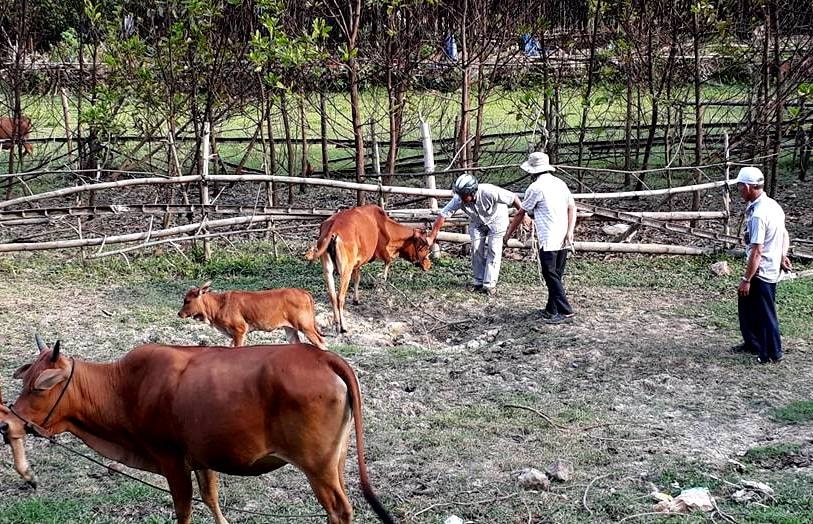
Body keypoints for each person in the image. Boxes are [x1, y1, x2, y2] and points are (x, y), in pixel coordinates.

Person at [505, 152, 576, 324]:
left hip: (549, 236)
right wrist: (570, 231)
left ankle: (565, 310)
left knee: (549, 274)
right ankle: (551, 309)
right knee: (556, 274)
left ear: (532, 171)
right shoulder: (560, 183)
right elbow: (572, 207)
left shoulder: (535, 188)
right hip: (562, 235)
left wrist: (508, 234)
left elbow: (521, 212)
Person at [734, 166, 792, 364]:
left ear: (749, 186)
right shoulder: (773, 205)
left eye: (740, 187)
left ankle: (772, 352)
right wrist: (783, 254)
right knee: (747, 305)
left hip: (762, 270)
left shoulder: (759, 214)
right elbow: (784, 234)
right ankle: (752, 342)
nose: (739, 190)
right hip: (769, 265)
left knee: (765, 312)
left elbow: (757, 250)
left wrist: (747, 279)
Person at [428, 173, 522, 295]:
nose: (461, 198)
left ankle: (489, 285)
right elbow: (443, 215)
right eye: (460, 194)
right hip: (477, 222)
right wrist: (432, 236)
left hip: (497, 221)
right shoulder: (458, 199)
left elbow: (513, 197)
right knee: (476, 248)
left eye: (463, 195)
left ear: (472, 192)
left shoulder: (489, 191)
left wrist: (523, 214)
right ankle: (478, 281)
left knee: (493, 250)